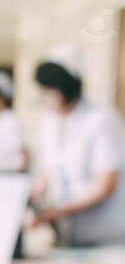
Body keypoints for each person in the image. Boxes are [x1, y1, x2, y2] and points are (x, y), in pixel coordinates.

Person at [31, 61, 125, 246]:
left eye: (51, 90)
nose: (47, 97)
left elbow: (105, 185)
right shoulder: (50, 123)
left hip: (105, 233)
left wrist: (58, 211)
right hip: (68, 232)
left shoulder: (102, 119)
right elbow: (46, 172)